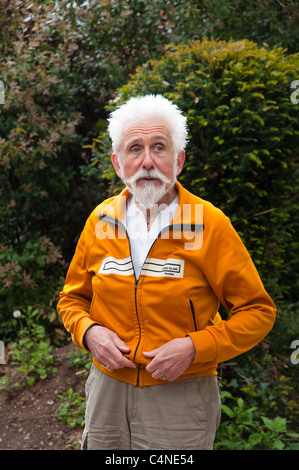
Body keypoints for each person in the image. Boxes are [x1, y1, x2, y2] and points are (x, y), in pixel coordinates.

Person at [57, 94, 276, 450]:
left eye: (158, 147)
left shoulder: (209, 224)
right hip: (107, 393)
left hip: (181, 395)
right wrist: (89, 332)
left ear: (178, 160)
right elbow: (72, 300)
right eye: (134, 149)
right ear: (117, 163)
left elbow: (258, 312)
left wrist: (194, 347)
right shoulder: (100, 220)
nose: (146, 162)